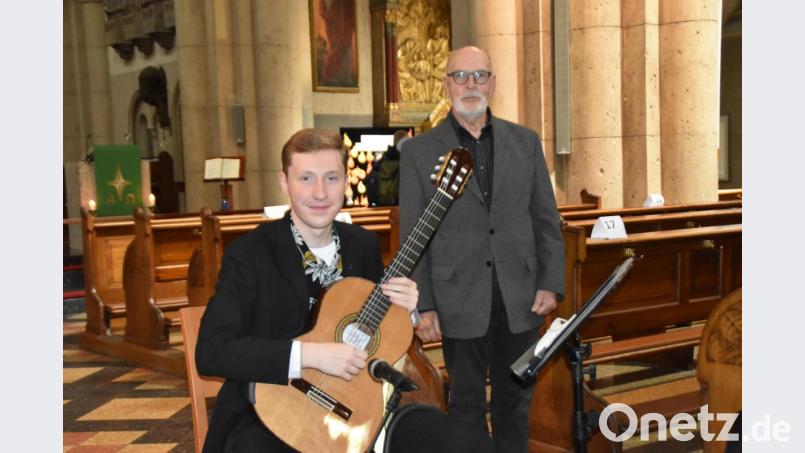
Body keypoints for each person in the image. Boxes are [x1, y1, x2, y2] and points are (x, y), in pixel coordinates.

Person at [195, 128, 419, 452]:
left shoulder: (362, 245)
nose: (320, 193)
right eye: (306, 179)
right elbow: (212, 351)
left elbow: (375, 334)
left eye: (331, 178)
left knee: (439, 435)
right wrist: (311, 356)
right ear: (284, 182)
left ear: (346, 181)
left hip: (347, 411)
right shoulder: (250, 253)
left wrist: (405, 309)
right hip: (265, 416)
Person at [399, 46, 565, 452]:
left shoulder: (524, 142)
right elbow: (412, 236)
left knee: (515, 401)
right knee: (466, 406)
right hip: (457, 298)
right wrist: (423, 307)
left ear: (492, 82)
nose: (470, 85)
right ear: (445, 85)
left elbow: (545, 218)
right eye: (460, 76)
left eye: (479, 75)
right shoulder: (420, 152)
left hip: (520, 295)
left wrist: (550, 281)